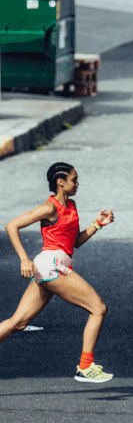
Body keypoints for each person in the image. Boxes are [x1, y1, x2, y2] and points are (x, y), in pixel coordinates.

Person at [0, 162, 115, 383]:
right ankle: (86, 366)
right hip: (51, 267)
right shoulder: (49, 208)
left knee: (18, 322)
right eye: (74, 179)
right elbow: (11, 226)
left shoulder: (71, 206)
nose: (77, 183)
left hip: (53, 267)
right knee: (98, 308)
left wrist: (98, 224)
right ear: (60, 182)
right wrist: (24, 259)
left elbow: (75, 243)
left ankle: (86, 366)